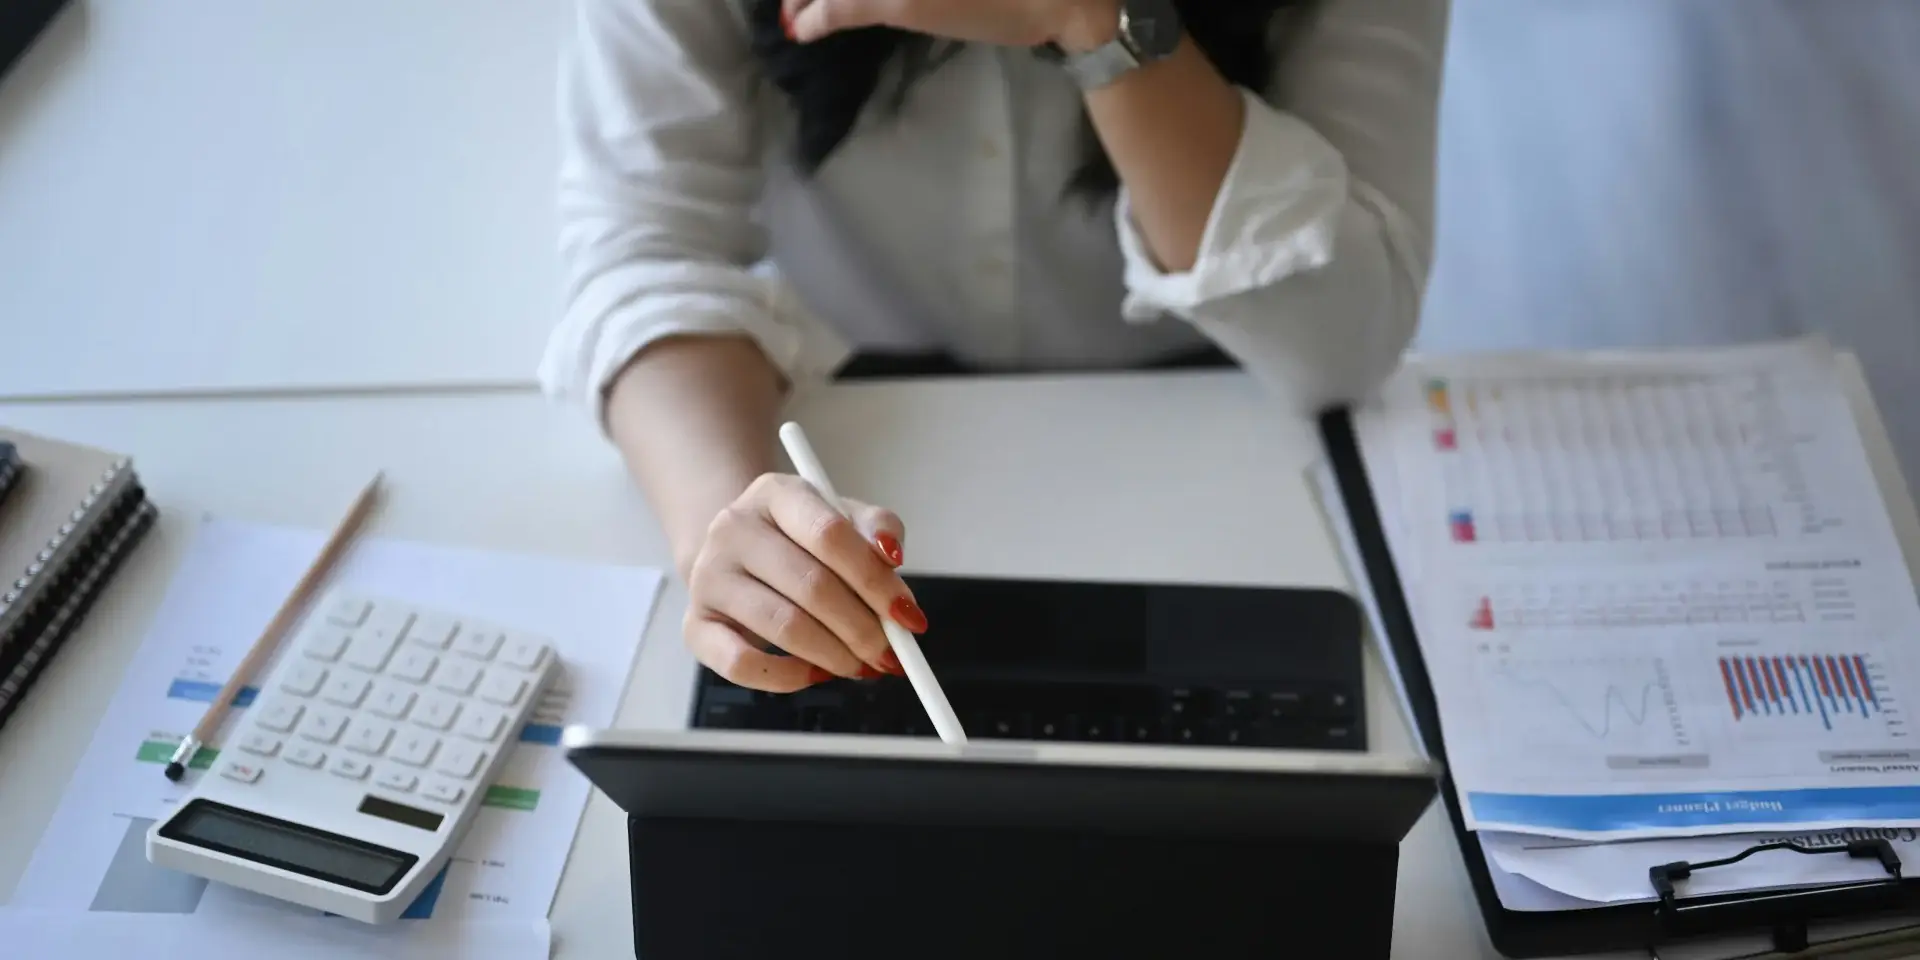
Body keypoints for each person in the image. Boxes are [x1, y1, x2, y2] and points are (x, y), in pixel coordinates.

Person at [539, 0, 1448, 693]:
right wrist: (731, 529)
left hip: (1218, 417)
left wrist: (1094, 22)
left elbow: (1342, 341)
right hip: (848, 412)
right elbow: (646, 245)